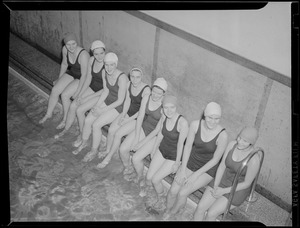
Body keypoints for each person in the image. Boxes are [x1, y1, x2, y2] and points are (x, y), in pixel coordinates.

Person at [163, 102, 228, 219]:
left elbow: (215, 160)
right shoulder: (195, 125)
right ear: (204, 115)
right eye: (210, 118)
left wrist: (195, 175)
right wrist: (182, 170)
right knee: (173, 190)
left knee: (182, 192)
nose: (213, 122)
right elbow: (187, 147)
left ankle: (173, 213)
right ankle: (168, 210)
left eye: (216, 118)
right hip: (191, 162)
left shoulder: (222, 135)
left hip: (207, 169)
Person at [193, 127, 260, 221]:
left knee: (211, 214)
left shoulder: (254, 159)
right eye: (239, 138)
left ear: (251, 143)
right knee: (200, 208)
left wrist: (223, 191)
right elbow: (222, 166)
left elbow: (247, 183)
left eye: (245, 141)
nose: (240, 142)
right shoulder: (232, 144)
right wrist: (216, 185)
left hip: (238, 188)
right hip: (223, 178)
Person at [72, 52, 128, 161]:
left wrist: (102, 110)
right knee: (88, 120)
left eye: (112, 65)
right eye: (106, 64)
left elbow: (121, 100)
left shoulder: (122, 78)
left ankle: (93, 150)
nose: (109, 68)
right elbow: (106, 91)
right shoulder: (104, 72)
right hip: (107, 101)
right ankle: (84, 142)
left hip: (118, 107)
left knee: (96, 125)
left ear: (116, 64)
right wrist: (96, 106)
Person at [140, 95, 189, 210]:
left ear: (176, 107)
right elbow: (161, 134)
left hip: (173, 156)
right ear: (162, 108)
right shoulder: (164, 117)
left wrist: (177, 163)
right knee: (148, 177)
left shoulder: (183, 123)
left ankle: (161, 198)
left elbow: (181, 144)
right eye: (166, 108)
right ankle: (153, 193)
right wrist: (153, 149)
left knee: (155, 179)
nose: (169, 111)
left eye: (172, 107)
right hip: (162, 151)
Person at [96, 67, 151, 168]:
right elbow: (127, 100)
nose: (135, 80)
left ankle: (108, 157)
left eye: (137, 77)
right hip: (128, 113)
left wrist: (127, 120)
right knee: (111, 130)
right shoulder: (129, 84)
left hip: (138, 118)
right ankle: (108, 150)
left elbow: (141, 112)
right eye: (132, 77)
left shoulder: (146, 90)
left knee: (118, 134)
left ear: (141, 77)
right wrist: (123, 114)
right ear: (130, 77)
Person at [54, 40, 106, 139]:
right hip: (92, 88)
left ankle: (82, 134)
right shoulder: (91, 60)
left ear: (105, 52)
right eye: (96, 54)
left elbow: (106, 89)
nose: (99, 56)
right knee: (73, 105)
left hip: (101, 93)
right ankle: (66, 128)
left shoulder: (107, 64)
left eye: (101, 53)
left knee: (80, 110)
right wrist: (80, 94)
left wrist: (87, 97)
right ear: (92, 53)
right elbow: (88, 79)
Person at [118, 78, 168, 178]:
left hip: (154, 136)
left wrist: (141, 142)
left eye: (159, 94)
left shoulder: (165, 106)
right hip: (144, 128)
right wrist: (136, 138)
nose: (155, 95)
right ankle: (128, 167)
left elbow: (157, 130)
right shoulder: (146, 97)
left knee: (136, 158)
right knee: (123, 149)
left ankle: (139, 176)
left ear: (163, 94)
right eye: (154, 92)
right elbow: (140, 117)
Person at [39, 33, 90, 128]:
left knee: (65, 95)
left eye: (73, 44)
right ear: (65, 45)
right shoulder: (65, 50)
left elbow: (84, 75)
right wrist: (59, 79)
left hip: (82, 76)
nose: (71, 47)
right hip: (73, 72)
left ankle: (65, 119)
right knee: (55, 90)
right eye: (68, 44)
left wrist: (79, 92)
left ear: (77, 43)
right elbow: (64, 64)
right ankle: (48, 114)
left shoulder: (83, 55)